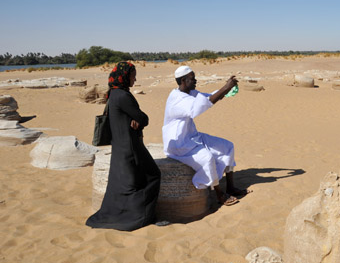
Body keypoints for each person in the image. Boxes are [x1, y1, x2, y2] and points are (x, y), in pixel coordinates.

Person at [86, 62, 161, 230]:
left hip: (120, 146)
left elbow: (135, 117)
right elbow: (143, 118)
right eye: (133, 75)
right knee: (153, 176)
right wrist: (139, 119)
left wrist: (136, 119)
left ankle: (127, 216)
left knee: (125, 184)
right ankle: (144, 218)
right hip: (131, 147)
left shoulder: (114, 94)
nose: (135, 78)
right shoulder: (123, 96)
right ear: (125, 76)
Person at [162, 66, 249, 206]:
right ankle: (219, 194)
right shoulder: (176, 99)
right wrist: (225, 88)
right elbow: (198, 108)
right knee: (208, 159)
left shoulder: (190, 92)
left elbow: (207, 98)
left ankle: (231, 187)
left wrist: (225, 91)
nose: (195, 80)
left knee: (227, 146)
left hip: (193, 137)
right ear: (183, 80)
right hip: (180, 145)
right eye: (192, 78)